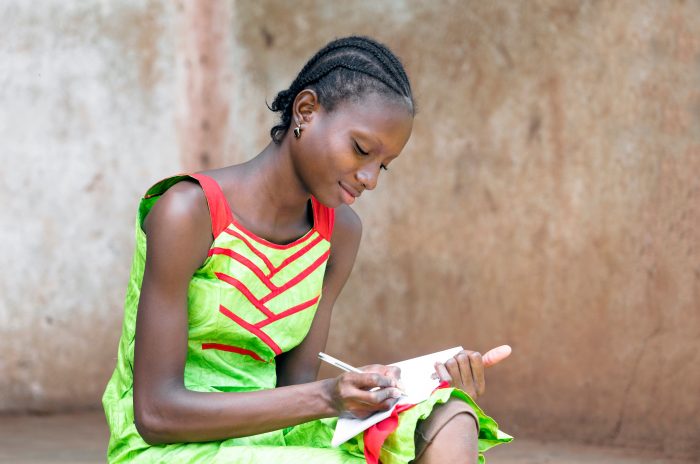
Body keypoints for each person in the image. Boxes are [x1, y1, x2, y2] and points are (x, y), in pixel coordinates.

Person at [102, 36, 512, 464]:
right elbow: (156, 414)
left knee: (451, 415)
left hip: (271, 438)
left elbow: (294, 386)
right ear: (306, 111)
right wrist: (329, 397)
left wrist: (409, 386)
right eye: (361, 150)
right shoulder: (189, 212)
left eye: (383, 164)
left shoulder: (339, 233)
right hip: (170, 447)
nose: (370, 177)